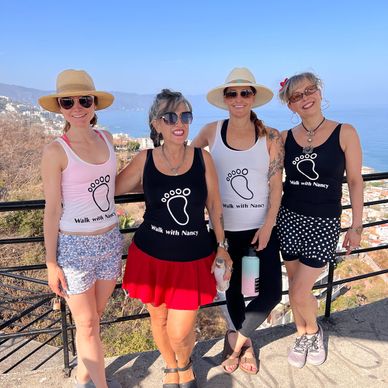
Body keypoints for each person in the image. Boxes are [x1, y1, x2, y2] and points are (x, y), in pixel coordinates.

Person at [115, 89, 232, 388]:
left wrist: (222, 246)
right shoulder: (145, 159)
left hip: (191, 259)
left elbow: (215, 204)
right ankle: (172, 368)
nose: (178, 122)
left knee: (180, 330)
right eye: (169, 117)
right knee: (159, 319)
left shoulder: (202, 159)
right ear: (157, 124)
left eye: (185, 116)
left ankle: (185, 363)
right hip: (150, 255)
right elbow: (111, 189)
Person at [191, 67, 283, 374]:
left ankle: (239, 341)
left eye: (245, 92)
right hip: (223, 231)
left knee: (268, 293)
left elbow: (276, 186)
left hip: (261, 230)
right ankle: (245, 346)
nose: (239, 98)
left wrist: (269, 224)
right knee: (232, 292)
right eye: (232, 93)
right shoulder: (210, 132)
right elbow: (185, 165)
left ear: (254, 97)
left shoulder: (270, 136)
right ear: (224, 98)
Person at [40, 69, 123, 388]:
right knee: (87, 324)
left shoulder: (107, 139)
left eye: (84, 100)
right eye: (68, 101)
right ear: (59, 106)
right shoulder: (55, 151)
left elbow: (112, 184)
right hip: (73, 248)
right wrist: (51, 263)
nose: (77, 107)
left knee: (94, 318)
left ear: (94, 104)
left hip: (110, 243)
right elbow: (52, 210)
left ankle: (83, 375)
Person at [277, 72, 364, 368]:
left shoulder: (345, 132)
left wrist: (356, 226)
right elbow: (272, 179)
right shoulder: (285, 138)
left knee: (301, 291)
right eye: (296, 96)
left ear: (319, 92)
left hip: (322, 223)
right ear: (290, 105)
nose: (305, 98)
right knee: (294, 287)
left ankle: (314, 331)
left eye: (309, 90)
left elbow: (354, 181)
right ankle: (302, 333)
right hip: (288, 219)